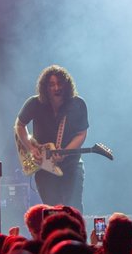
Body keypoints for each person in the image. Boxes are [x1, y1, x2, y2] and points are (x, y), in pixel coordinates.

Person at [14, 65, 89, 209]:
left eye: (60, 83)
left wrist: (65, 152)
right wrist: (31, 148)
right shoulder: (34, 103)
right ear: (45, 87)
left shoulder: (77, 104)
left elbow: (81, 133)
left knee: (73, 209)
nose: (56, 88)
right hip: (44, 165)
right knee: (52, 210)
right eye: (51, 85)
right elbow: (19, 125)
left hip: (71, 165)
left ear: (66, 85)